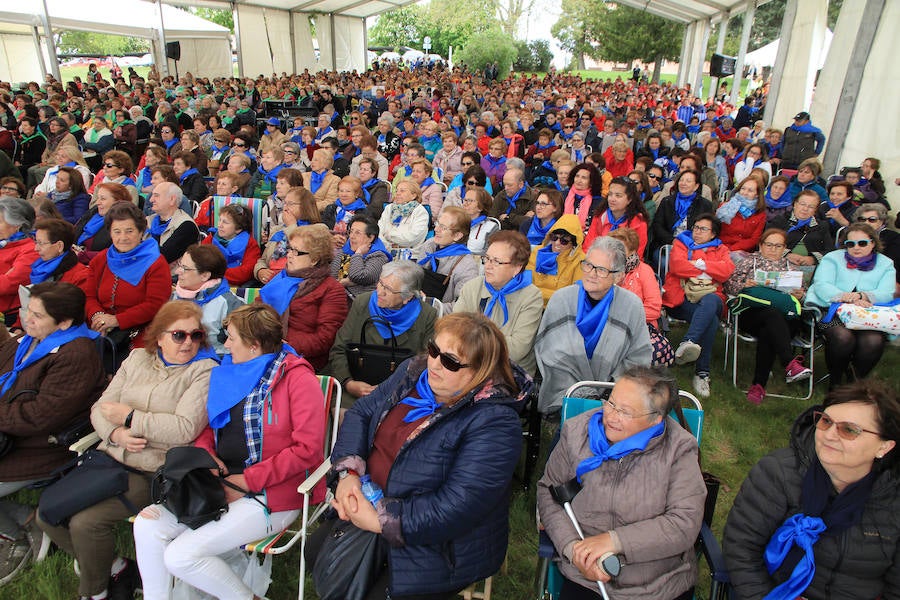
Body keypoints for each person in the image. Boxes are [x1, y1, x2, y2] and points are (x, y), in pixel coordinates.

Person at [309, 312, 532, 600]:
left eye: (450, 361)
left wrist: (380, 520)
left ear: (479, 372)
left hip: (439, 544)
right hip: (367, 500)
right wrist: (347, 476)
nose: (435, 364)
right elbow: (363, 412)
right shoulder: (412, 373)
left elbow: (458, 505)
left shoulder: (495, 422)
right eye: (434, 349)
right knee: (316, 553)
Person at [133, 303, 325, 600]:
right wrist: (206, 455)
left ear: (254, 345)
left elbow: (307, 450)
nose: (226, 344)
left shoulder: (298, 379)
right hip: (218, 482)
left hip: (272, 494)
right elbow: (210, 426)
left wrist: (247, 481)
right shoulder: (231, 373)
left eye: (232, 337)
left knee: (181, 556)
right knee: (147, 526)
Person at [537, 366, 707, 599]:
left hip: (659, 584)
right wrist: (573, 549)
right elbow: (549, 492)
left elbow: (684, 522)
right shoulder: (577, 433)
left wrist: (614, 541)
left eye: (625, 412)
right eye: (611, 403)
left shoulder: (678, 450)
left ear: (655, 419)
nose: (611, 416)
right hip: (587, 577)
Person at [723, 380, 900, 599]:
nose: (830, 435)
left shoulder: (892, 500)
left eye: (848, 430)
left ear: (884, 446)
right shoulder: (778, 473)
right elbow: (741, 550)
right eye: (826, 421)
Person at [0, 282, 105, 495]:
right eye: (28, 310)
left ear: (64, 323)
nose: (27, 319)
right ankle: (18, 525)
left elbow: (40, 416)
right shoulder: (26, 339)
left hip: (35, 448)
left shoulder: (76, 356)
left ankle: (19, 525)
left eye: (37, 315)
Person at [534, 237, 652, 414]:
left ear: (618, 276)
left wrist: (609, 392)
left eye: (602, 270)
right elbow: (549, 352)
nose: (591, 273)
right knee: (577, 429)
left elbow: (638, 356)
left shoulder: (631, 306)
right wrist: (582, 395)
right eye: (588, 265)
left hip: (613, 397)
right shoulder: (563, 299)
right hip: (566, 393)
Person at [724, 228, 812, 404]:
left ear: (784, 248)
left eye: (778, 246)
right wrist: (743, 285)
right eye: (769, 245)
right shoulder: (748, 263)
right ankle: (789, 363)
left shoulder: (792, 269)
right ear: (761, 246)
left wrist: (801, 295)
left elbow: (806, 297)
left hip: (785, 320)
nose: (773, 249)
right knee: (771, 316)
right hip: (752, 316)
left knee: (770, 329)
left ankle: (758, 386)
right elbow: (729, 287)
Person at [329, 260, 438, 401]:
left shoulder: (427, 315)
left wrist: (395, 390)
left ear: (408, 297)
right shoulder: (362, 302)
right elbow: (339, 349)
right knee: (347, 416)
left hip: (399, 393)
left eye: (389, 289)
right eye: (380, 283)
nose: (380, 292)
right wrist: (348, 383)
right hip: (356, 385)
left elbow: (426, 362)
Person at [805, 223, 896, 388]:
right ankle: (836, 382)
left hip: (868, 313)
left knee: (874, 340)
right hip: (830, 310)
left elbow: (887, 292)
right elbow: (822, 285)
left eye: (862, 243)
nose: (856, 248)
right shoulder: (832, 258)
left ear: (873, 242)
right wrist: (845, 297)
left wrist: (863, 296)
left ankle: (853, 382)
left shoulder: (886, 264)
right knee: (843, 338)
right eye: (850, 244)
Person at [85, 202, 172, 363]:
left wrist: (116, 320)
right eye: (117, 231)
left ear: (141, 232)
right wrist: (99, 318)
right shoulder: (101, 260)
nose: (123, 237)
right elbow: (89, 296)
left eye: (129, 231)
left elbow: (155, 304)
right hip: (101, 328)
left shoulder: (156, 263)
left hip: (140, 332)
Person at [662, 213, 735, 398]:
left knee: (710, 301)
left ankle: (689, 341)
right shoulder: (681, 243)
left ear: (713, 234)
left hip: (711, 299)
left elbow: (726, 271)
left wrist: (698, 264)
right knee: (709, 320)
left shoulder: (721, 249)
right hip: (681, 299)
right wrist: (710, 269)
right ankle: (702, 373)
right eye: (696, 227)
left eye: (703, 229)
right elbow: (678, 267)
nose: (697, 232)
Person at [257, 224, 348, 371]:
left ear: (314, 259)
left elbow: (325, 339)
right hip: (265, 348)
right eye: (290, 248)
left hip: (300, 361)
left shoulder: (331, 290)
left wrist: (281, 343)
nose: (289, 255)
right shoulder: (278, 278)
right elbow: (256, 313)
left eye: (296, 251)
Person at [455, 231, 543, 374]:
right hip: (468, 363)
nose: (488, 266)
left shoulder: (531, 297)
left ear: (517, 267)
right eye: (487, 259)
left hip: (508, 371)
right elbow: (455, 330)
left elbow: (517, 349)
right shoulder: (473, 287)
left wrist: (473, 340)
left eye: (497, 261)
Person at [608, 227, 672, 367]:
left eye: (620, 247)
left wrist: (623, 314)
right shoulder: (604, 270)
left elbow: (654, 309)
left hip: (639, 328)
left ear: (631, 250)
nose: (615, 251)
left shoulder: (644, 271)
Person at [172, 244, 243, 355]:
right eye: (180, 265)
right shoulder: (175, 296)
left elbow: (240, 348)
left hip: (211, 363)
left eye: (185, 268)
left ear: (204, 276)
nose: (177, 272)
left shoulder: (229, 304)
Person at [414, 207, 480, 308]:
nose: (436, 229)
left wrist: (429, 306)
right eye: (437, 224)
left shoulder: (467, 266)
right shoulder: (430, 245)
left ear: (457, 236)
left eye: (443, 227)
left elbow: (463, 306)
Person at [254, 186, 320, 285]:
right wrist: (260, 270)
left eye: (290, 204)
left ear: (305, 206)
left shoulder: (318, 229)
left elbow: (303, 249)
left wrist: (292, 226)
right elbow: (263, 259)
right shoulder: (277, 230)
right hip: (271, 281)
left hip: (298, 282)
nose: (285, 207)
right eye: (285, 203)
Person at [650, 170, 714, 262]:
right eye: (681, 180)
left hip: (695, 245)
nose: (683, 183)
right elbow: (657, 226)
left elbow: (708, 228)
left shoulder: (705, 205)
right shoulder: (667, 201)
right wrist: (672, 241)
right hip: (668, 244)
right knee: (665, 263)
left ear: (696, 186)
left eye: (688, 181)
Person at [770, 190, 834, 278]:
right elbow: (766, 244)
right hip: (780, 264)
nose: (805, 209)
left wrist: (813, 258)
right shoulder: (780, 221)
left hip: (810, 269)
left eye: (811, 206)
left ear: (815, 210)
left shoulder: (822, 226)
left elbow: (830, 250)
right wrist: (787, 255)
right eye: (802, 204)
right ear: (795, 204)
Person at [526, 213, 585, 307]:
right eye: (554, 238)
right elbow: (527, 284)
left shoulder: (580, 261)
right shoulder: (537, 252)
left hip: (559, 309)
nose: (557, 243)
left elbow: (574, 295)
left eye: (563, 241)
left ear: (573, 243)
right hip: (532, 304)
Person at [583, 176, 650, 257]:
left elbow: (636, 255)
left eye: (618, 195)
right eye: (610, 194)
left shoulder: (639, 223)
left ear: (630, 199)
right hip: (598, 262)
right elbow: (588, 246)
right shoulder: (600, 216)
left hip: (625, 266)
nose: (612, 199)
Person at [331, 214, 392, 298]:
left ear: (370, 238)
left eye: (357, 233)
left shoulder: (378, 256)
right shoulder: (345, 250)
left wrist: (358, 253)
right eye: (351, 231)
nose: (352, 236)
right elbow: (332, 276)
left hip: (360, 302)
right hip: (337, 297)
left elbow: (359, 276)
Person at [201, 203, 261, 286]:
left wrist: (213, 273)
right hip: (206, 281)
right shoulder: (211, 239)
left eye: (225, 222)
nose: (219, 225)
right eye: (220, 220)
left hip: (232, 285)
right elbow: (199, 261)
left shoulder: (250, 244)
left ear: (238, 229)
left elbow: (245, 273)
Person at [0, 199, 38, 326]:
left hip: (8, 315)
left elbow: (7, 285)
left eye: (0, 221)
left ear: (17, 225)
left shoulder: (30, 250)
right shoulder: (3, 243)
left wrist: (5, 278)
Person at [148, 181, 200, 274]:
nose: (151, 200)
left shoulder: (186, 226)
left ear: (172, 200)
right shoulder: (148, 220)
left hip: (175, 280)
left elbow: (162, 257)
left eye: (156, 195)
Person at [74, 182, 132, 265]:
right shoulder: (93, 213)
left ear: (118, 202)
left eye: (103, 199)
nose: (98, 202)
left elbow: (116, 254)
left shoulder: (123, 223)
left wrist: (82, 255)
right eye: (98, 198)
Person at [30, 218, 90, 292]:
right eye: (36, 242)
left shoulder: (80, 277)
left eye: (41, 243)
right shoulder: (39, 266)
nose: (36, 248)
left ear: (59, 246)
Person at [717, 176, 767, 257]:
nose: (745, 192)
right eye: (743, 189)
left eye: (750, 190)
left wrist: (733, 249)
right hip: (721, 246)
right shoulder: (725, 207)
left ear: (757, 194)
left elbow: (754, 239)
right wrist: (725, 249)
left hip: (744, 252)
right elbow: (715, 230)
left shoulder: (760, 214)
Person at [855, 203, 900, 290]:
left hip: (885, 280)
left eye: (872, 220)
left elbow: (893, 265)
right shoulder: (853, 236)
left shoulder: (893, 238)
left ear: (882, 221)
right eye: (862, 219)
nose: (866, 223)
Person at [378, 180, 430, 254]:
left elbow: (411, 238)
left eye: (402, 191)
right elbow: (379, 232)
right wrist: (388, 246)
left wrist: (389, 235)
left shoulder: (420, 211)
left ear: (413, 195)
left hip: (410, 254)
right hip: (385, 251)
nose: (398, 193)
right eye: (397, 191)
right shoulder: (389, 208)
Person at [462, 186, 500, 255]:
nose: (465, 204)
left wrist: (465, 256)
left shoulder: (491, 227)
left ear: (481, 207)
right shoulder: (456, 222)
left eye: (470, 201)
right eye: (465, 200)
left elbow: (489, 254)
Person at [302, 148, 341, 213]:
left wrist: (310, 208)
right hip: (301, 211)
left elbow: (330, 201)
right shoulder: (303, 176)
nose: (312, 162)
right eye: (312, 159)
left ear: (325, 163)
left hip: (320, 214)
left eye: (316, 160)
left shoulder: (334, 180)